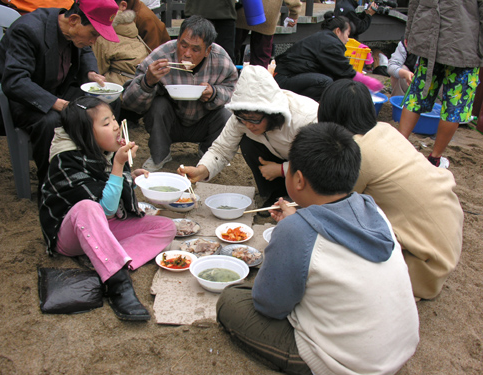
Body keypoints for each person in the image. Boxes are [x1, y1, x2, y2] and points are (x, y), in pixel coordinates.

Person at [217, 122, 420, 375]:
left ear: (298, 180)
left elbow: (269, 306)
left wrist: (293, 229)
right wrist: (297, 221)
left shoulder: (296, 232)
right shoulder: (372, 208)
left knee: (232, 300)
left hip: (351, 365)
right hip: (399, 348)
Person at [318, 79, 464, 300]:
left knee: (331, 246)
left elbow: (334, 207)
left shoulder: (356, 152)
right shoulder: (385, 129)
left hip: (423, 265)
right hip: (446, 243)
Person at [39, 96, 176, 321]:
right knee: (87, 208)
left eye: (113, 118)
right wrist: (119, 166)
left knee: (166, 227)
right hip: (71, 234)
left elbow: (104, 188)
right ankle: (117, 283)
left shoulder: (104, 152)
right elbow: (105, 210)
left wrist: (128, 176)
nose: (115, 126)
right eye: (105, 123)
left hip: (103, 225)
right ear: (85, 134)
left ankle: (105, 259)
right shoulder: (66, 160)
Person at [0, 0, 120, 193]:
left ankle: (96, 171)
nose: (94, 41)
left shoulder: (72, 29)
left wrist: (90, 73)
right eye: (93, 34)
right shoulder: (28, 30)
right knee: (51, 120)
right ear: (73, 20)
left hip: (56, 89)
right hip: (19, 98)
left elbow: (86, 49)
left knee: (105, 103)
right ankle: (52, 188)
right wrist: (57, 104)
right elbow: (14, 81)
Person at [177, 65, 319, 215]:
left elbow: (319, 161)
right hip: (277, 156)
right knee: (248, 142)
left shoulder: (305, 119)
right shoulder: (242, 118)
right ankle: (276, 196)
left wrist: (281, 170)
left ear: (271, 113)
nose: (248, 125)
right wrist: (202, 170)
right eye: (242, 118)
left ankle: (299, 200)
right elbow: (222, 148)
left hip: (307, 164)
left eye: (254, 120)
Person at [123, 15, 238, 172]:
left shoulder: (220, 59)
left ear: (207, 50)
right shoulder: (162, 56)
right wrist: (147, 81)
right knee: (158, 105)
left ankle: (208, 154)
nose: (187, 54)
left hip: (204, 121)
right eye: (183, 45)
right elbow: (129, 103)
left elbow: (233, 90)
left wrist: (214, 93)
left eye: (195, 49)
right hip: (171, 122)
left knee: (226, 115)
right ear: (177, 41)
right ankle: (160, 155)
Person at [397, 0, 481, 168]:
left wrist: (411, 33)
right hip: (464, 44)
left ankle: (398, 147)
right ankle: (435, 158)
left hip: (429, 38)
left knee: (417, 95)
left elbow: (414, 4)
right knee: (455, 106)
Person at [274, 11, 382, 102]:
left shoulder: (325, 38)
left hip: (290, 76)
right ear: (338, 31)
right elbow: (345, 70)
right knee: (326, 82)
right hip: (285, 79)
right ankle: (306, 107)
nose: (348, 39)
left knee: (331, 81)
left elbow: (339, 71)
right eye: (347, 34)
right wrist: (366, 81)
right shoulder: (330, 43)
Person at [92, 0, 149, 86]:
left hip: (123, 87)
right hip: (143, 84)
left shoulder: (102, 37)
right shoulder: (131, 29)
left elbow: (96, 71)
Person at [235, 0, 301, 68]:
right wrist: (294, 13)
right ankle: (258, 77)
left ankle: (229, 75)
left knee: (231, 50)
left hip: (242, 9)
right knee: (261, 58)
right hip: (268, 12)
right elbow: (293, 2)